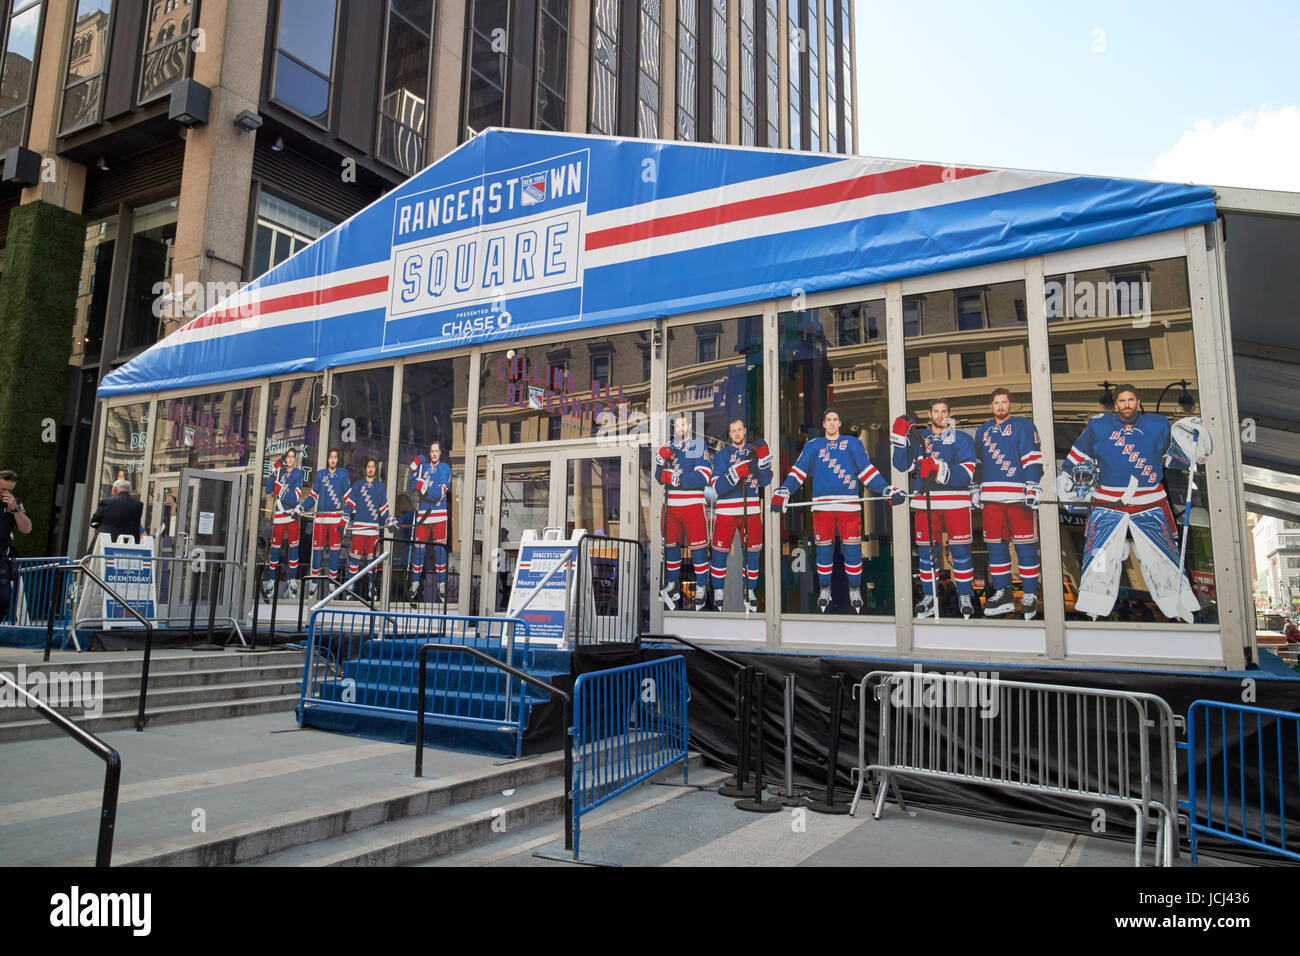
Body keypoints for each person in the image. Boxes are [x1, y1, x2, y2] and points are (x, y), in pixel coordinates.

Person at [1057, 383, 1210, 623]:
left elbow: (1172, 459)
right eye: (1121, 400)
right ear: (1115, 403)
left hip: (1149, 501)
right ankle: (1093, 607)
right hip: (1109, 502)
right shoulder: (1098, 426)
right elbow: (1078, 458)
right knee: (1100, 556)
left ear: (1138, 402)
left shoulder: (1157, 425)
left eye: (1131, 400)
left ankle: (1178, 606)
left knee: (1161, 556)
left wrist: (1191, 453)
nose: (1126, 405)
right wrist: (1068, 479)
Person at [772, 407, 907, 613]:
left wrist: (886, 488)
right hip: (822, 506)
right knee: (824, 552)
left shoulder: (853, 443)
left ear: (840, 423)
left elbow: (867, 471)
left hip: (849, 506)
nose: (832, 423)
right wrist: (784, 491)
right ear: (824, 424)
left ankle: (855, 589)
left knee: (852, 552)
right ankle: (825, 590)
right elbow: (797, 472)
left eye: (835, 419)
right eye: (828, 420)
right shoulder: (813, 446)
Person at [892, 398, 979, 619]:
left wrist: (941, 470)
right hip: (925, 502)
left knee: (960, 553)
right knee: (927, 554)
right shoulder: (920, 439)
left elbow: (968, 472)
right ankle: (929, 596)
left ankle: (965, 595)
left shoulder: (961, 438)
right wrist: (900, 441)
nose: (940, 415)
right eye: (936, 411)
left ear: (948, 413)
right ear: (929, 414)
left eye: (944, 411)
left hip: (956, 501)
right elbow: (902, 465)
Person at [973, 388, 1043, 619]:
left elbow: (1032, 458)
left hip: (1018, 498)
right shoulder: (982, 430)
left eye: (1004, 402)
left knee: (1025, 548)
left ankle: (1030, 594)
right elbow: (979, 463)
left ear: (1010, 405)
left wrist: (1032, 485)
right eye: (996, 403)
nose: (1000, 406)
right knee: (996, 548)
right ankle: (1003, 593)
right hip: (991, 499)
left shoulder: (1024, 426)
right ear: (991, 406)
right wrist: (975, 488)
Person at [708, 419, 772, 612]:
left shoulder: (754, 452)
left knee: (752, 554)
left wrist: (763, 460)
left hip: (751, 510)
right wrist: (736, 473)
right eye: (733, 430)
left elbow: (765, 481)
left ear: (745, 431)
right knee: (719, 553)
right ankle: (718, 590)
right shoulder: (722, 454)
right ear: (730, 434)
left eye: (739, 430)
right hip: (726, 511)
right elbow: (717, 486)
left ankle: (749, 591)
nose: (736, 433)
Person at [656, 415, 713, 612]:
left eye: (684, 424)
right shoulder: (669, 447)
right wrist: (661, 465)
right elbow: (658, 476)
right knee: (671, 546)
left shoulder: (698, 444)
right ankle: (673, 584)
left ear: (689, 426)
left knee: (698, 547)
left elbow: (703, 475)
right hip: (671, 505)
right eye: (678, 425)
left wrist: (678, 480)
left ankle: (701, 585)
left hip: (692, 504)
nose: (681, 427)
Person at [296, 448, 349, 596]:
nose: (332, 460)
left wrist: (350, 513)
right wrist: (301, 507)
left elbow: (348, 495)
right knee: (317, 551)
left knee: (334, 552)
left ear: (337, 460)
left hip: (336, 518)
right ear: (327, 459)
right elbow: (313, 496)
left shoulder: (343, 474)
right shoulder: (320, 474)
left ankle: (332, 582)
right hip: (320, 518)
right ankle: (314, 582)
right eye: (330, 457)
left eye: (335, 457)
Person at [407, 440, 451, 602]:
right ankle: (415, 582)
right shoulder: (423, 467)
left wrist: (423, 487)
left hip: (439, 516)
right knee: (419, 551)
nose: (433, 454)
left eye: (436, 451)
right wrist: (414, 468)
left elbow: (439, 493)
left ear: (440, 452)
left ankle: (441, 584)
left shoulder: (445, 468)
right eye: (431, 451)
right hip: (422, 516)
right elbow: (412, 486)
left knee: (440, 551)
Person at [344, 457, 392, 601]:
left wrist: (390, 520)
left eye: (373, 466)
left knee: (373, 562)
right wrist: (343, 523)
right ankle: (350, 586)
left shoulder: (381, 487)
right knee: (354, 560)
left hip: (373, 531)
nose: (371, 469)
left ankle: (372, 586)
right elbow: (350, 505)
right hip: (359, 530)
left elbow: (383, 509)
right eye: (369, 466)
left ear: (375, 470)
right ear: (365, 469)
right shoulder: (357, 485)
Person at [262, 448, 304, 600]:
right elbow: (268, 490)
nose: (291, 459)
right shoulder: (279, 472)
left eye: (293, 457)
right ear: (285, 459)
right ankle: (272, 581)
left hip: (292, 516)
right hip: (279, 515)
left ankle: (292, 580)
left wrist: (281, 491)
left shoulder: (299, 473)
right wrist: (273, 474)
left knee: (293, 549)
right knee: (275, 550)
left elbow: (294, 498)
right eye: (289, 457)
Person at [0, 469, 32, 621]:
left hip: (2, 559)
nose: (6, 493)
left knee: (4, 597)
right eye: (3, 489)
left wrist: (15, 510)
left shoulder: (14, 504)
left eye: (9, 490)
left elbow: (26, 529)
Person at [89, 479, 145, 543]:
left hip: (108, 542)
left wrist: (102, 526)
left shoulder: (107, 502)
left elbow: (93, 522)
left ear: (115, 488)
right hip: (129, 543)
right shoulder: (138, 505)